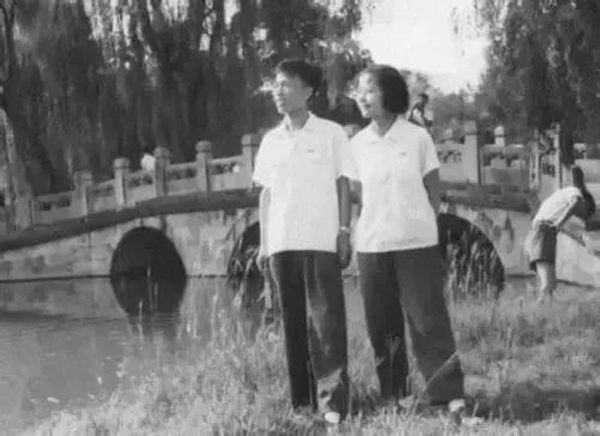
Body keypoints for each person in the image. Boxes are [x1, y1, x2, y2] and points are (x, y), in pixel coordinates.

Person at [349, 65, 465, 417]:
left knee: (428, 321)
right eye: (359, 91)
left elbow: (434, 189)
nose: (362, 97)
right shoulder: (356, 144)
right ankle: (395, 394)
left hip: (416, 243)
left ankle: (447, 394)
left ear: (390, 92)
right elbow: (356, 195)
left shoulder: (417, 138)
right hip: (373, 246)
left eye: (370, 90)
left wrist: (422, 222)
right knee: (382, 325)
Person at [252, 59, 356, 425]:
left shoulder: (330, 133)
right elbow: (266, 195)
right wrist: (264, 244)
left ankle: (333, 404)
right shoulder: (271, 140)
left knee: (327, 324)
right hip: (282, 243)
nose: (277, 91)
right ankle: (302, 405)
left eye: (286, 84)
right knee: (292, 326)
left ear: (308, 91)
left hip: (320, 240)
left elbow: (343, 184)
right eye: (275, 85)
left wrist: (344, 231)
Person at [525, 165, 596, 302]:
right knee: (547, 285)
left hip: (542, 232)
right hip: (543, 232)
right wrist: (560, 221)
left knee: (551, 285)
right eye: (585, 214)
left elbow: (571, 229)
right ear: (586, 203)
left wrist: (585, 242)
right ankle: (536, 309)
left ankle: (546, 309)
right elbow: (575, 203)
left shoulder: (561, 200)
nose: (582, 217)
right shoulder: (575, 193)